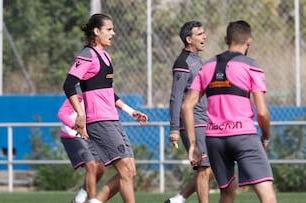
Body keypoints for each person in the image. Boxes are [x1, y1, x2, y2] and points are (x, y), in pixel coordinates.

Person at [181, 20, 277, 203]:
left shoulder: (207, 66)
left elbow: (186, 106)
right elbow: (262, 112)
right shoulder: (251, 65)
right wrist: (265, 137)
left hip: (215, 140)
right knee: (267, 196)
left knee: (227, 193)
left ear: (226, 39)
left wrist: (193, 144)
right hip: (243, 136)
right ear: (249, 41)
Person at [62, 13, 148, 203]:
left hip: (112, 118)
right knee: (125, 169)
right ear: (96, 31)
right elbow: (69, 84)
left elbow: (108, 92)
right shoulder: (87, 55)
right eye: (109, 30)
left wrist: (130, 111)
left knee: (130, 171)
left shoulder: (106, 56)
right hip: (99, 121)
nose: (113, 33)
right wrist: (81, 114)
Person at [165, 21, 213, 203]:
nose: (204, 37)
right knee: (204, 168)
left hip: (205, 121)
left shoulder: (197, 60)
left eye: (204, 33)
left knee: (215, 166)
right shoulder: (183, 62)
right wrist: (174, 128)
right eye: (200, 34)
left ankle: (179, 199)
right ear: (189, 39)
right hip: (193, 123)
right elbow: (176, 97)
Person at [58, 96, 109, 203]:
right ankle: (92, 200)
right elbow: (61, 113)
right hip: (72, 136)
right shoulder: (77, 96)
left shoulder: (96, 96)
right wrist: (75, 126)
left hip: (86, 136)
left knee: (100, 169)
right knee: (91, 166)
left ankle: (79, 199)